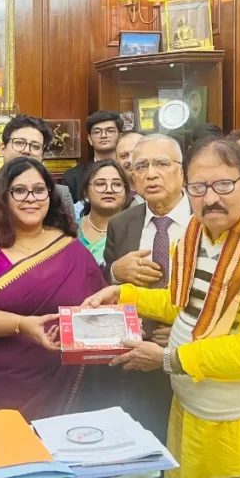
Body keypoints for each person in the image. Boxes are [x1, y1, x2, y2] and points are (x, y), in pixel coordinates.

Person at [84, 136, 240, 478]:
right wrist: (123, 294)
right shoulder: (199, 230)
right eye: (198, 187)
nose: (210, 198)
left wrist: (167, 359)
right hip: (193, 408)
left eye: (223, 185)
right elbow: (186, 303)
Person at [0, 157, 106, 420]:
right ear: (2, 196)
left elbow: (99, 307)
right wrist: (22, 324)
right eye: (19, 190)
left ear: (50, 195)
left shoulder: (71, 248)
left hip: (62, 387)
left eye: (40, 190)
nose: (31, 198)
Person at [94, 134, 190, 443]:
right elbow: (105, 294)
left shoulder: (206, 219)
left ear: (182, 171)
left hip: (195, 362)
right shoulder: (122, 223)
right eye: (141, 166)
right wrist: (114, 273)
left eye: (162, 164)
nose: (151, 174)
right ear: (132, 176)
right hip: (135, 364)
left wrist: (181, 331)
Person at [0, 115, 74, 234]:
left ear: (42, 156)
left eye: (35, 146)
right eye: (19, 143)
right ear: (3, 148)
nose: (26, 150)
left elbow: (72, 245)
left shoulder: (60, 194)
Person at [63, 111, 124, 202]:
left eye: (110, 131)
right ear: (90, 139)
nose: (103, 135)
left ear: (120, 137)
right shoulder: (73, 177)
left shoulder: (129, 171)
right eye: (97, 132)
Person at [77, 160, 130, 265]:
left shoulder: (136, 231)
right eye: (100, 184)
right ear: (86, 192)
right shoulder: (69, 231)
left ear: (125, 194)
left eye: (117, 184)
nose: (109, 190)